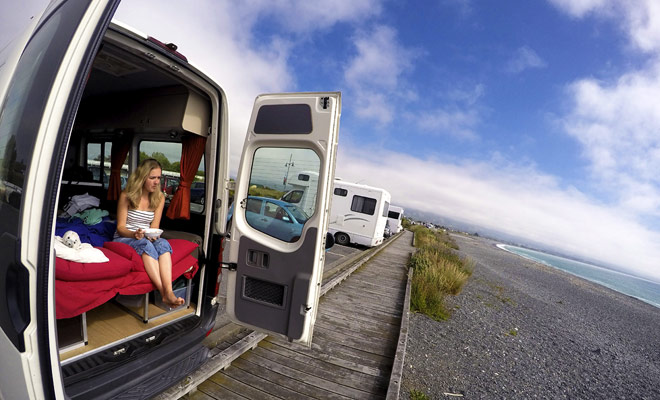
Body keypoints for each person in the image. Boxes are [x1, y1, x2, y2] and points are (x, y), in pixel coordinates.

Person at [114, 158, 184, 307]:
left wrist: (153, 236)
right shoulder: (126, 195)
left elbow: (154, 227)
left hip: (145, 237)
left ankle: (169, 291)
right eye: (152, 178)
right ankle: (162, 292)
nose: (157, 182)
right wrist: (134, 235)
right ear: (142, 178)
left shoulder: (159, 198)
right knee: (144, 243)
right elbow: (120, 227)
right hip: (125, 237)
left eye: (159, 178)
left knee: (163, 243)